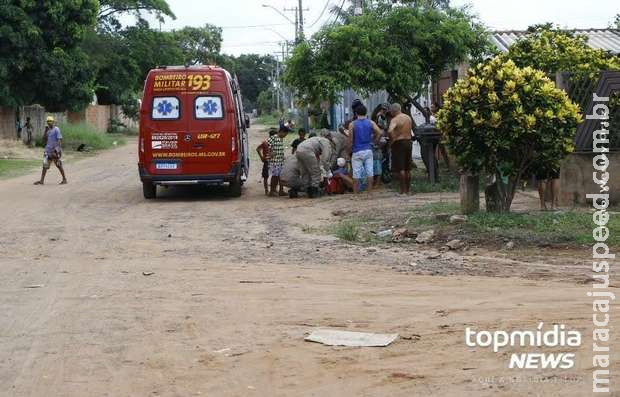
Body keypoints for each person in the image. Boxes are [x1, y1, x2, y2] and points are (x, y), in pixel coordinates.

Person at [348, 103, 382, 194]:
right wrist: (375, 142)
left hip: (357, 150)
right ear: (366, 112)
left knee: (356, 173)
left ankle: (355, 195)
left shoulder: (352, 124)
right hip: (368, 149)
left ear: (356, 113)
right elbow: (379, 132)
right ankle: (369, 193)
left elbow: (350, 139)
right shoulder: (371, 122)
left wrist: (350, 149)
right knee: (370, 172)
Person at [388, 103, 413, 195]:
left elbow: (390, 130)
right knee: (408, 168)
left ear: (394, 111)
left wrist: (393, 138)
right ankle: (408, 190)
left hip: (399, 143)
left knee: (401, 167)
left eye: (391, 111)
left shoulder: (395, 119)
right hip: (408, 142)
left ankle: (402, 191)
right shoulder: (408, 118)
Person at [34, 116, 67, 185]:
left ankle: (64, 179)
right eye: (48, 122)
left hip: (54, 151)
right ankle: (41, 180)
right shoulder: (48, 131)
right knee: (45, 165)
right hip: (48, 151)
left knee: (58, 165)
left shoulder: (56, 129)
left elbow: (59, 140)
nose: (49, 123)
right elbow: (43, 140)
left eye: (50, 121)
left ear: (53, 122)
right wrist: (45, 131)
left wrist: (57, 150)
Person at [267, 126, 287, 196]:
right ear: (281, 132)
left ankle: (280, 190)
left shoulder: (280, 139)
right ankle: (272, 191)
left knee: (280, 176)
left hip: (280, 161)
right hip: (274, 161)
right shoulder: (273, 137)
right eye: (285, 134)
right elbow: (266, 145)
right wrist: (270, 153)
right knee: (275, 177)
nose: (285, 136)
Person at [256, 128, 277, 195]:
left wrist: (262, 157)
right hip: (268, 161)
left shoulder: (273, 143)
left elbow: (258, 149)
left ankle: (271, 190)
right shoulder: (266, 143)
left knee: (273, 176)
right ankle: (267, 190)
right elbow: (258, 149)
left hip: (272, 161)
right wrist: (262, 157)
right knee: (267, 176)